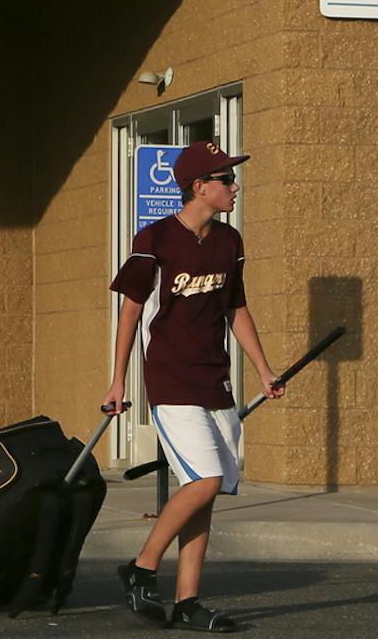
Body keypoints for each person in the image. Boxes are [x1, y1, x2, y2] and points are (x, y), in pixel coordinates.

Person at [102, 143, 285, 633]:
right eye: (226, 179)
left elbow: (236, 309)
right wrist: (118, 380)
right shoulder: (155, 239)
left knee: (207, 491)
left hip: (215, 379)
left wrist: (264, 370)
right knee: (204, 479)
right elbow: (130, 312)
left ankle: (188, 602)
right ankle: (142, 567)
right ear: (199, 187)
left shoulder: (230, 241)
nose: (235, 187)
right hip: (170, 379)